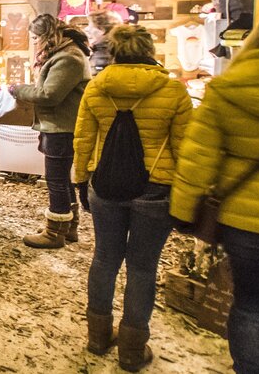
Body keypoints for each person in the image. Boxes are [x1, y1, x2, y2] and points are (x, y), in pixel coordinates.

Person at [72, 25, 191, 371]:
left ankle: (97, 337)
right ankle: (131, 350)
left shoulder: (97, 88)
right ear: (151, 50)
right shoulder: (173, 92)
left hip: (105, 187)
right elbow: (184, 149)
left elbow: (82, 140)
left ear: (115, 53)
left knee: (104, 260)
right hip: (155, 190)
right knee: (142, 268)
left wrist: (81, 181)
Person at [171, 12, 259, 374]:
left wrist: (182, 214)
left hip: (246, 221)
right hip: (247, 219)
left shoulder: (229, 89)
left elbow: (198, 158)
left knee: (251, 306)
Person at [9, 13, 91, 249]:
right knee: (63, 179)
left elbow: (49, 95)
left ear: (48, 36)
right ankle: (68, 226)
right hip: (59, 126)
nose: (34, 42)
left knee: (56, 180)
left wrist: (18, 90)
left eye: (36, 37)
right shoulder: (66, 55)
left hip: (61, 128)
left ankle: (55, 232)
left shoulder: (68, 58)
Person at [85, 9, 123, 75]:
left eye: (91, 25)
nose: (87, 29)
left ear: (103, 29)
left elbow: (94, 75)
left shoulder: (104, 50)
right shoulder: (105, 48)